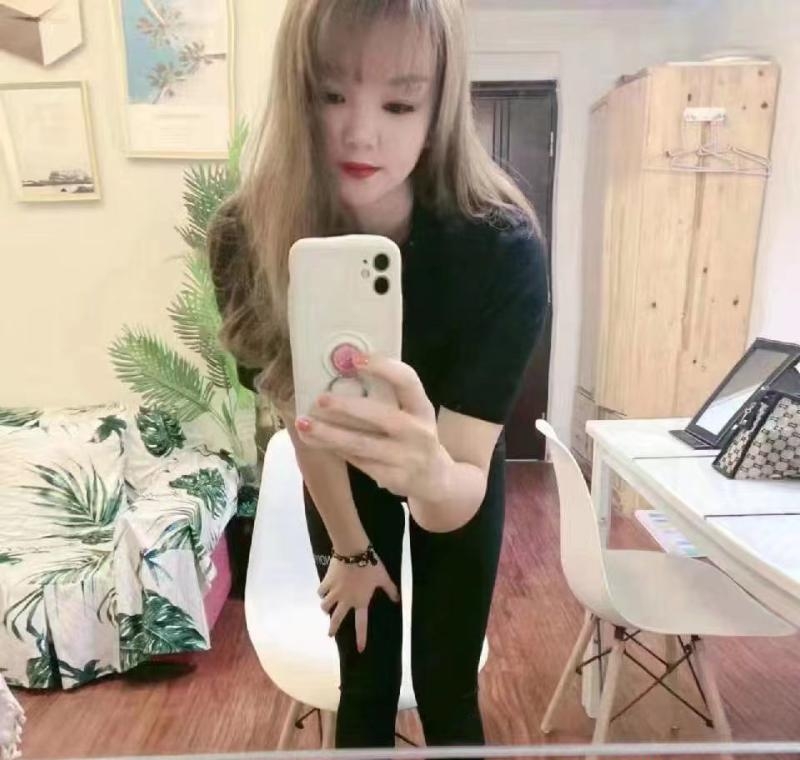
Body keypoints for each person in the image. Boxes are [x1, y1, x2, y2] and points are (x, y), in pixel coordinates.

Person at [209, 0, 548, 751]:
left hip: (448, 462)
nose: (361, 133)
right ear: (296, 90)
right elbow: (303, 418)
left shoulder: (499, 249)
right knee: (362, 681)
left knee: (446, 687)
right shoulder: (246, 235)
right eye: (331, 94)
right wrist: (354, 551)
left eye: (399, 103)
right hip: (339, 467)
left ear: (439, 108)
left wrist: (430, 474)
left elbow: (460, 481)